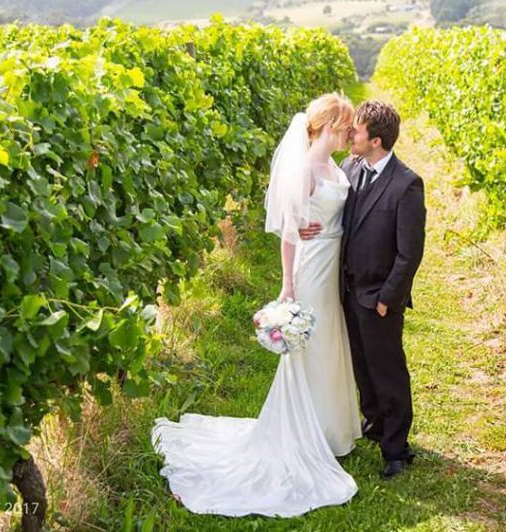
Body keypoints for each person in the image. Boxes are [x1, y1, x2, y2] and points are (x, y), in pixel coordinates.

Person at [151, 93, 362, 517]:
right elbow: (288, 230)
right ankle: (309, 433)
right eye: (345, 127)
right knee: (313, 344)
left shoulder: (333, 166)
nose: (349, 134)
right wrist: (287, 284)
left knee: (329, 340)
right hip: (312, 266)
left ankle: (330, 428)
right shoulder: (304, 168)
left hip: (332, 259)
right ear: (329, 126)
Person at [300, 100, 426, 480]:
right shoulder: (351, 167)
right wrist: (309, 225)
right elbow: (337, 213)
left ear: (376, 139)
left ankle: (396, 449)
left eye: (356, 130)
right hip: (346, 289)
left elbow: (409, 253)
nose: (349, 134)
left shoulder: (407, 184)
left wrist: (389, 298)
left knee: (387, 370)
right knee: (361, 366)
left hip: (379, 298)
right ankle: (374, 425)